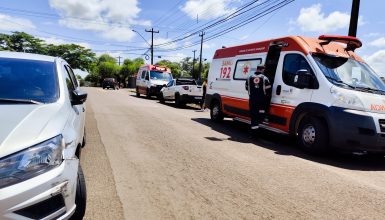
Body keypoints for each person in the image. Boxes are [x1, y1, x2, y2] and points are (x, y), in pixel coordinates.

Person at [246, 64, 271, 130]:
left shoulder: (249, 77)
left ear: (257, 69)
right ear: (262, 69)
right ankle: (259, 124)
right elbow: (268, 90)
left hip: (252, 100)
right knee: (260, 114)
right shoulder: (265, 78)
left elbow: (246, 88)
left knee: (253, 116)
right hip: (261, 101)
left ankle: (253, 133)